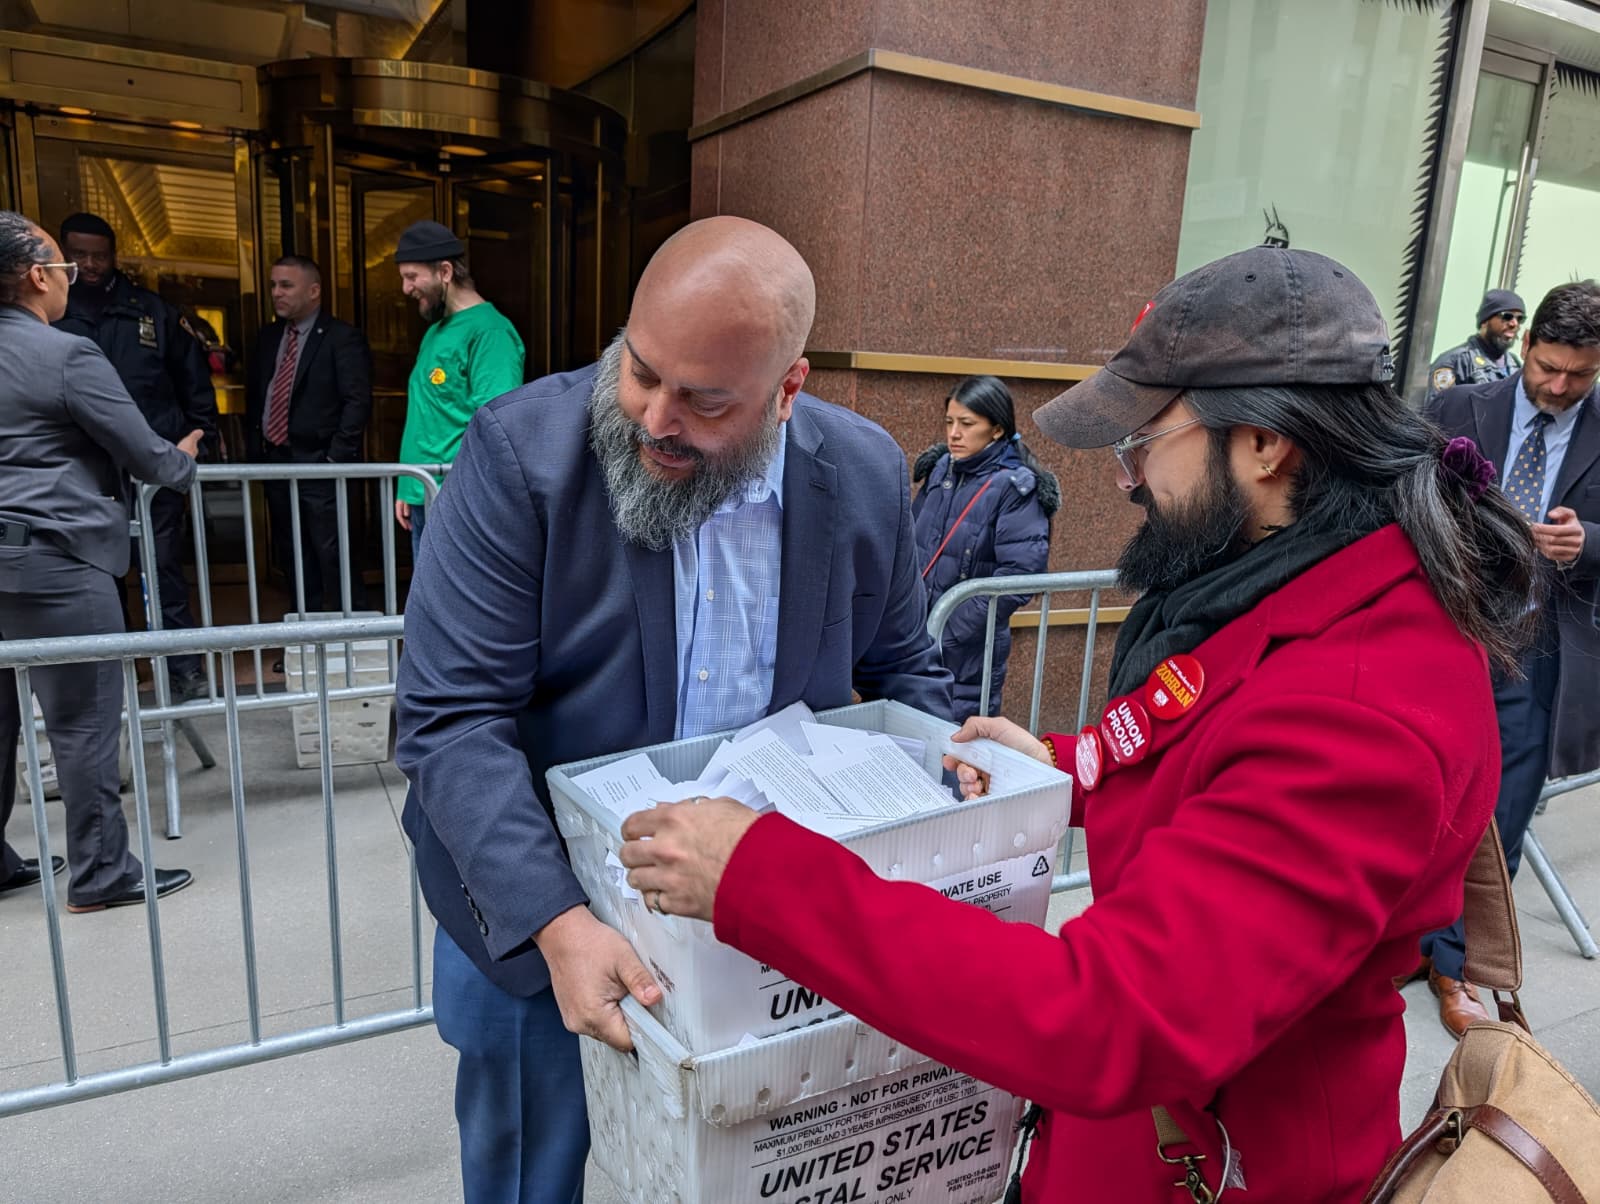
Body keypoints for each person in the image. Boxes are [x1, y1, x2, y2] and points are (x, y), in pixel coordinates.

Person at [617, 246, 1541, 1202]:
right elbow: (1215, 747)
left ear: (1266, 444)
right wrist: (1066, 767)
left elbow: (1115, 1016)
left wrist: (762, 879)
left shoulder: (1363, 707)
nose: (1126, 480)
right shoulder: (1293, 580)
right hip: (1150, 1140)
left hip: (1225, 1163)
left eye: (1144, 442)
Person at [394, 216, 952, 1204]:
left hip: (754, 914)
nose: (653, 417)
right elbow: (448, 716)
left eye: (703, 400)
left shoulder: (861, 472)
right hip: (539, 902)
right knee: (529, 1168)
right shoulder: (520, 452)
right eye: (639, 369)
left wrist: (958, 768)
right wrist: (559, 923)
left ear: (788, 390)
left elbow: (904, 668)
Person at [1412, 280, 1600, 1036]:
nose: (1557, 387)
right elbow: (1406, 494)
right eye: (1547, 368)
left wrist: (1590, 541)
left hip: (1540, 648)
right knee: (1416, 792)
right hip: (1443, 638)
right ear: (1524, 347)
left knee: (1501, 815)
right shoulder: (1458, 408)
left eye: (1578, 375)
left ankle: (1455, 966)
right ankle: (1405, 938)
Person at [0, 211, 200, 911]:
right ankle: (100, 872)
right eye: (62, 268)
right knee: (83, 721)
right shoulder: (66, 355)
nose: (69, 280)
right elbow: (145, 452)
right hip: (56, 557)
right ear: (35, 277)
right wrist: (183, 461)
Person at [53, 211, 219, 702]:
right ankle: (119, 672)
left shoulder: (152, 312)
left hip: (152, 464)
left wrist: (197, 436)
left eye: (99, 255)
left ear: (113, 254)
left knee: (162, 566)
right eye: (79, 255)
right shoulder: (51, 315)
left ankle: (182, 669)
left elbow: (194, 385)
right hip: (84, 470)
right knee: (97, 572)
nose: (90, 264)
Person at [912, 374, 1057, 720]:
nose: (953, 434)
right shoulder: (940, 469)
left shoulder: (1016, 487)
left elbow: (1019, 577)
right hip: (915, 643)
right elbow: (911, 545)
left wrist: (948, 631)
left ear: (996, 429)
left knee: (955, 756)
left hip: (968, 653)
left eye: (966, 423)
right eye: (949, 422)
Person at [246, 254, 373, 612]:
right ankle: (306, 643)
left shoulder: (341, 338)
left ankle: (351, 643)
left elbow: (357, 401)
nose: (276, 293)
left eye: (286, 285)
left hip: (321, 465)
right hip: (277, 463)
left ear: (314, 290)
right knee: (292, 554)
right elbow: (260, 394)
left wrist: (334, 458)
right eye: (273, 285)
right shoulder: (269, 337)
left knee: (333, 554)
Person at [391, 221, 525, 557]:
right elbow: (429, 416)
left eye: (412, 277)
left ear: (445, 271)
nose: (406, 288)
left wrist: (464, 498)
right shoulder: (436, 331)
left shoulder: (491, 333)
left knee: (455, 605)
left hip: (459, 499)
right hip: (426, 493)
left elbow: (497, 425)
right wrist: (409, 486)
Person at [1426, 287, 1525, 402]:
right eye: (1507, 316)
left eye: (1520, 318)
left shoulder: (1515, 364)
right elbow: (1436, 413)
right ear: (1485, 321)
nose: (1514, 323)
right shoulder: (1456, 362)